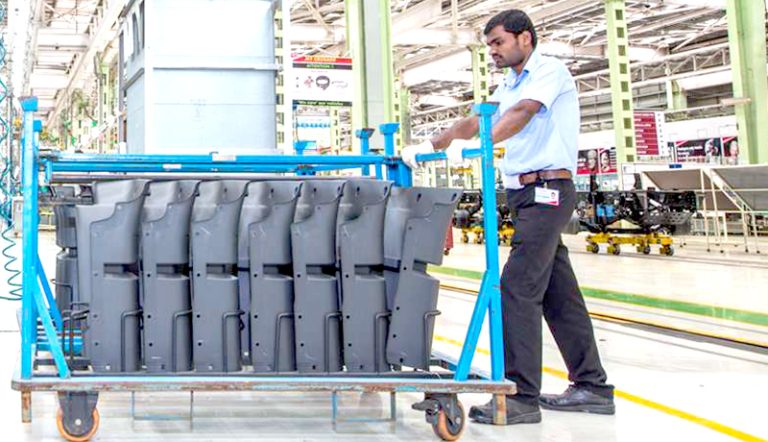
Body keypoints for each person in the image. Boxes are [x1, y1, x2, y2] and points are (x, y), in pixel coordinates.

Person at [402, 9, 615, 425]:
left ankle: (520, 396)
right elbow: (477, 119)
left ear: (525, 38)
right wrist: (431, 144)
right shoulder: (511, 82)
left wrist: (480, 144)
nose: (493, 52)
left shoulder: (549, 72)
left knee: (517, 287)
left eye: (499, 43)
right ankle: (592, 385)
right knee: (558, 294)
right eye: (489, 46)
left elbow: (521, 115)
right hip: (525, 194)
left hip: (548, 192)